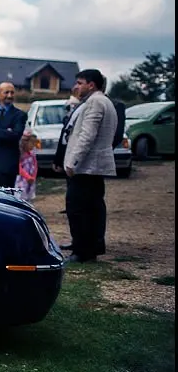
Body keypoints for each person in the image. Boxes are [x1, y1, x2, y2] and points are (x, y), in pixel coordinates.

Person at [61, 69, 118, 263]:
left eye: (80, 83)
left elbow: (87, 135)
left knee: (78, 209)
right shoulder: (105, 101)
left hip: (87, 167)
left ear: (91, 85)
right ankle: (92, 248)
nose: (76, 87)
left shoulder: (95, 102)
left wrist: (73, 162)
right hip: (94, 167)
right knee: (93, 208)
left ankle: (82, 251)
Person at [16, 129, 39, 202]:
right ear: (25, 142)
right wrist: (27, 177)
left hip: (31, 179)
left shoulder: (32, 154)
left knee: (29, 197)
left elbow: (35, 165)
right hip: (22, 180)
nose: (34, 145)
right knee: (20, 197)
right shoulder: (20, 154)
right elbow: (18, 167)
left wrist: (33, 176)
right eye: (32, 143)